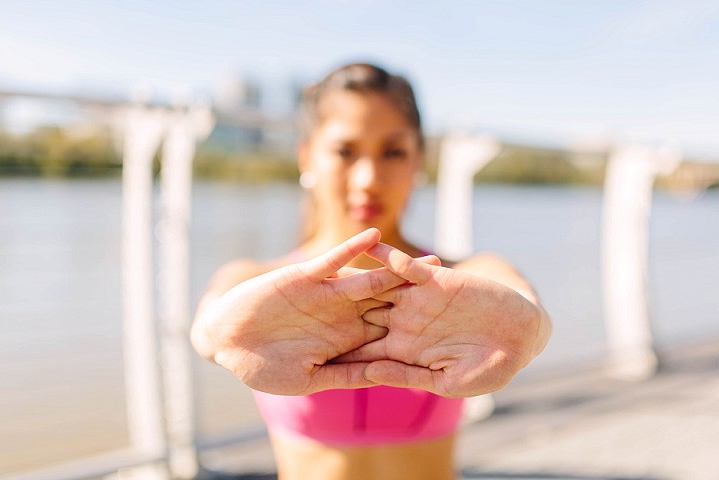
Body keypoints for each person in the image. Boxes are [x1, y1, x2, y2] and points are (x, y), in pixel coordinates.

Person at [191, 63, 551, 480]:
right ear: (307, 156)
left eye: (392, 152)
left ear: (418, 160)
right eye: (345, 151)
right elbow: (211, 323)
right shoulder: (257, 282)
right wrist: (215, 337)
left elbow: (521, 302)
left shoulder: (461, 280)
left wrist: (533, 330)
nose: (368, 179)